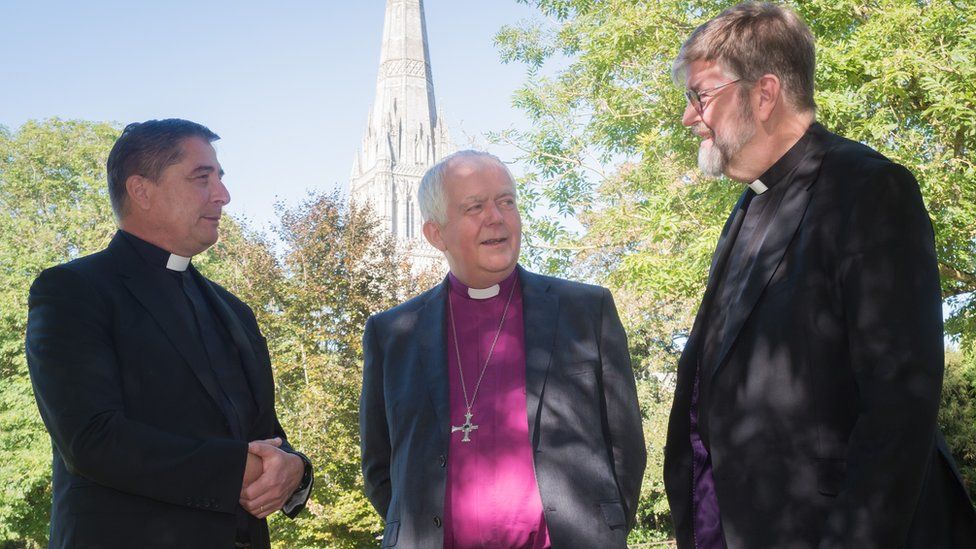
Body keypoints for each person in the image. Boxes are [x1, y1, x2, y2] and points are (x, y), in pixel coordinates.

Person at [662, 3, 976, 548]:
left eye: (702, 95)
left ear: (763, 95)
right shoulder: (745, 209)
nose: (690, 116)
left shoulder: (871, 191)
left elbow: (900, 406)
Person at [26, 119, 313, 549]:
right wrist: (239, 469)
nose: (223, 195)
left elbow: (267, 437)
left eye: (221, 178)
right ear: (141, 190)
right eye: (203, 178)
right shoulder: (73, 290)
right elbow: (91, 439)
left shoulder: (234, 312)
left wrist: (296, 471)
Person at [359, 150, 646, 548]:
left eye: (506, 201)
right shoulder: (392, 333)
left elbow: (625, 447)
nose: (496, 217)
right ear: (435, 233)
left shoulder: (586, 311)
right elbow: (380, 466)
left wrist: (604, 528)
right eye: (475, 207)